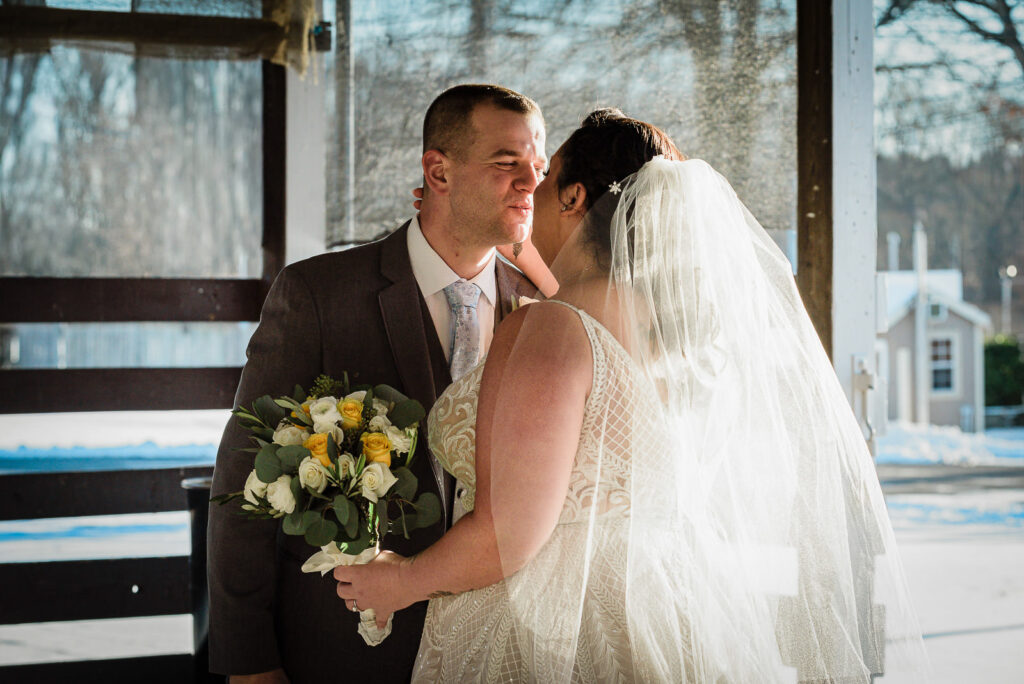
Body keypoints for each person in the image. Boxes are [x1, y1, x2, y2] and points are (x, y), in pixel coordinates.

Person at [334, 110, 927, 682]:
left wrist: (403, 580)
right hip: (662, 602)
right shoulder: (676, 332)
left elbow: (507, 533)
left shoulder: (549, 329)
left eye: (545, 176)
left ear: (572, 198)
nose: (530, 188)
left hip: (551, 622)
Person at [207, 84, 547, 683]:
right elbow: (244, 480)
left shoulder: (545, 311)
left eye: (537, 167)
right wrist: (250, 663)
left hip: (501, 654)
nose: (529, 183)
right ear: (437, 171)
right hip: (342, 653)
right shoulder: (318, 294)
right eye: (506, 163)